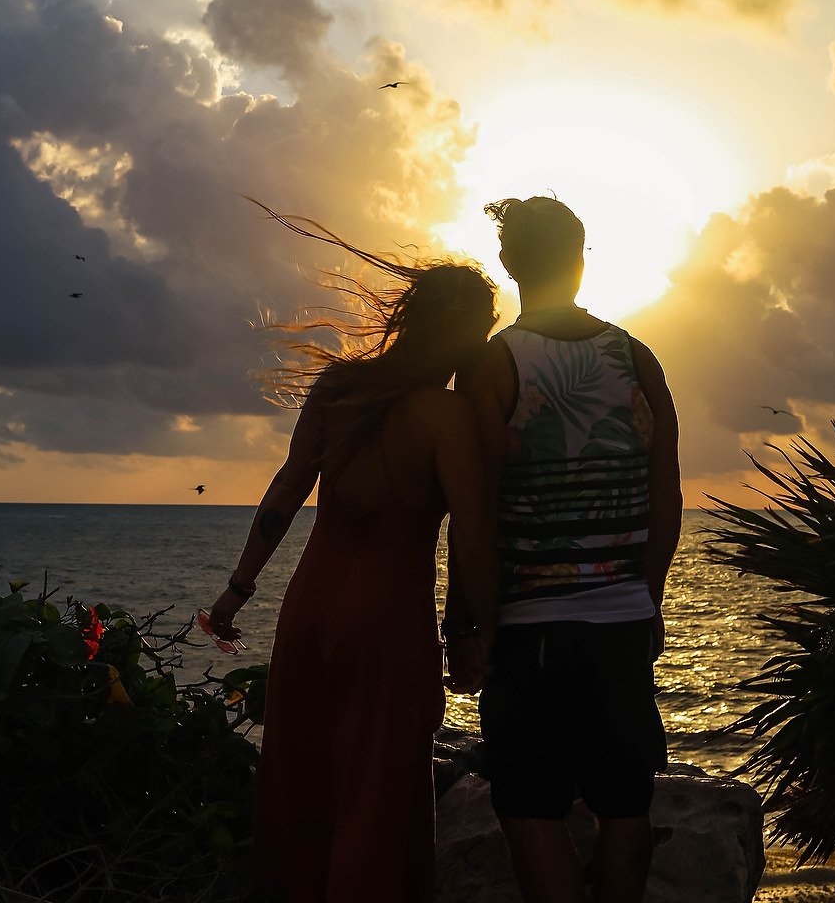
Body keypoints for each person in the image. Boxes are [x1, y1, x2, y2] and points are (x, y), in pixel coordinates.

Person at [207, 206, 501, 903]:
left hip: (308, 607)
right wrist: (468, 633)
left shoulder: (339, 389)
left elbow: (285, 490)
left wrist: (235, 592)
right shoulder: (447, 415)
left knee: (301, 780)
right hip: (387, 621)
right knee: (379, 791)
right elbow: (470, 532)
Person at [448, 196, 683, 903]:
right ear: (582, 259)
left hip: (532, 632)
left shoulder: (494, 366)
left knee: (528, 806)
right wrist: (649, 600)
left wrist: (468, 626)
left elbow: (477, 515)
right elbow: (665, 499)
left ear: (510, 263)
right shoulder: (635, 357)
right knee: (625, 806)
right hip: (621, 625)